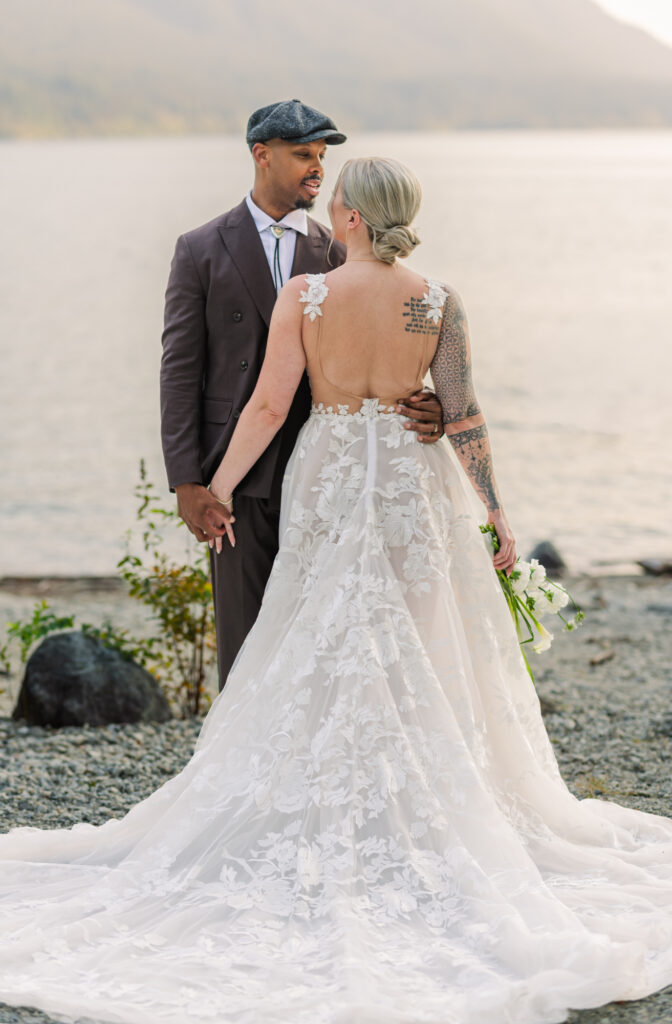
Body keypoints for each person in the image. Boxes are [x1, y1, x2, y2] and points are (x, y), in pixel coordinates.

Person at [3, 157, 672, 1024]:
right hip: (410, 481)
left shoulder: (307, 296)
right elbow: (462, 413)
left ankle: (329, 792)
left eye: (340, 198)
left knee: (317, 624)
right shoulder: (439, 300)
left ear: (350, 216)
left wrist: (214, 489)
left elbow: (266, 408)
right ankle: (421, 799)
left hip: (327, 473)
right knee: (417, 639)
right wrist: (498, 513)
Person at [160, 99, 444, 687]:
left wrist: (429, 405)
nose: (316, 168)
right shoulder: (200, 248)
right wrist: (187, 481)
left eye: (320, 156)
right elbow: (180, 371)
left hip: (324, 475)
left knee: (326, 637)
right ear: (261, 155)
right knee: (244, 641)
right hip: (236, 477)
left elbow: (382, 352)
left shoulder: (340, 248)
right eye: (302, 155)